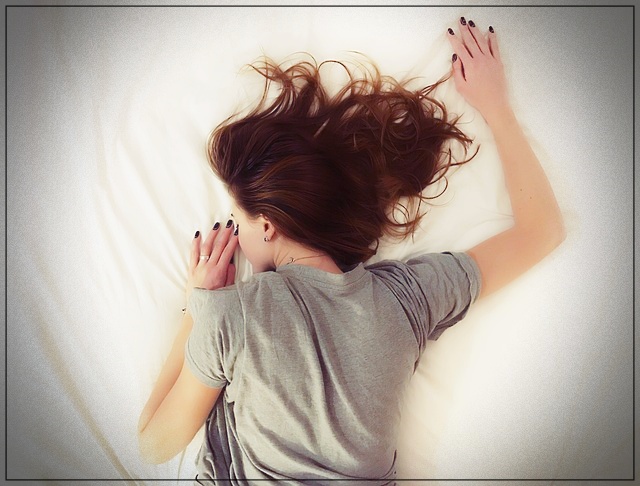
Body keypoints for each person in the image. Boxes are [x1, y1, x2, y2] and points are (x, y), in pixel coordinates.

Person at [137, 17, 566, 484]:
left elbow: (154, 445)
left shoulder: (231, 315)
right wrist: (496, 108)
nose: (236, 235)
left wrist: (196, 305)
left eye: (238, 221)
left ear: (269, 225)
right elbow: (542, 231)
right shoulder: (407, 299)